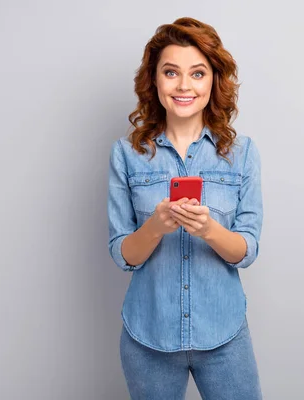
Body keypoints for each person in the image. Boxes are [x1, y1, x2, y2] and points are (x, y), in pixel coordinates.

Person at [107, 17, 263, 400]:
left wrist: (208, 229)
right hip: (148, 336)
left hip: (224, 334)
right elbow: (122, 253)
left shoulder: (241, 154)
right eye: (171, 72)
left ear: (213, 80)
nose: (183, 85)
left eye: (197, 73)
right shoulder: (127, 155)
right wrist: (156, 226)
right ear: (154, 80)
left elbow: (248, 250)